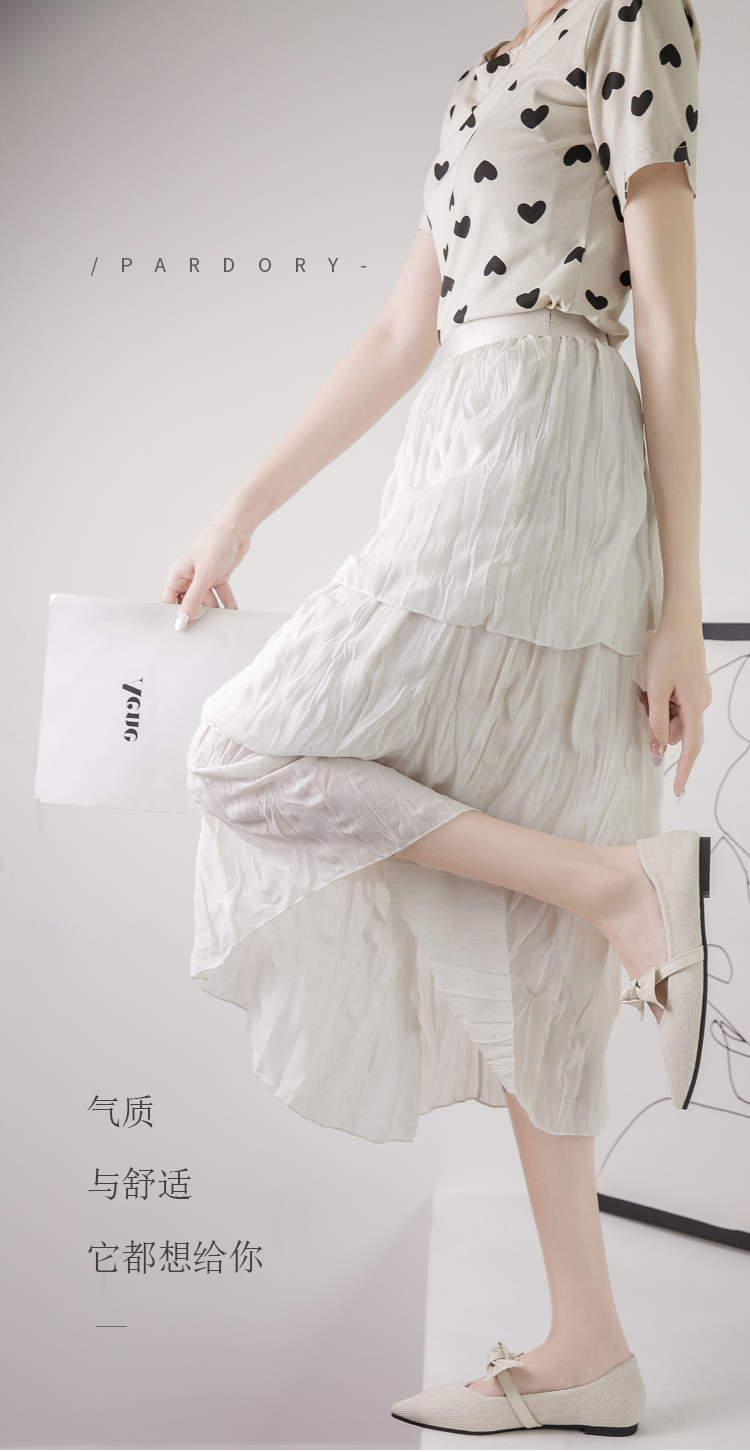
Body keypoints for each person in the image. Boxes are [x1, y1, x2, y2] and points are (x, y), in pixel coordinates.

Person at [160, 0, 711, 1435]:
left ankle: (607, 885)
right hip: (464, 432)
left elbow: (666, 317)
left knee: (243, 749)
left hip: (537, 445)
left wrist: (681, 603)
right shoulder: (484, 71)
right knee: (522, 920)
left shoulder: (628, 15)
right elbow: (400, 329)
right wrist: (240, 509)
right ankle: (591, 1347)